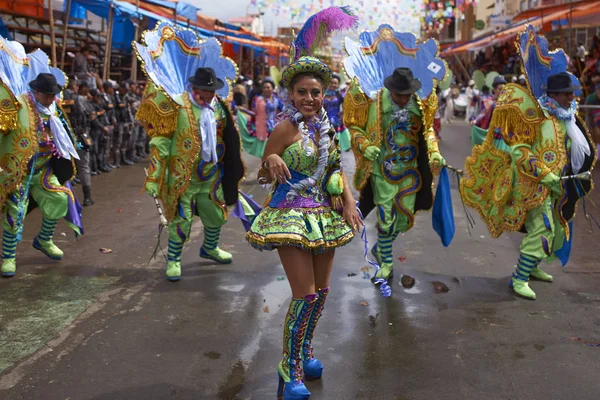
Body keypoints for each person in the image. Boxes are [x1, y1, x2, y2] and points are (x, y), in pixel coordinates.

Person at [246, 7, 359, 399]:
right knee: (304, 294)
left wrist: (347, 202)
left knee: (321, 295)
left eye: (316, 92)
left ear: (323, 95)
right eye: (302, 92)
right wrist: (271, 160)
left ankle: (306, 350)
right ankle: (289, 366)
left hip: (324, 216)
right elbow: (263, 171)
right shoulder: (285, 127)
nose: (310, 98)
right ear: (290, 94)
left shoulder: (326, 127)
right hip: (291, 216)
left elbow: (337, 168)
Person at [461, 72, 595, 300]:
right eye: (567, 93)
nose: (572, 97)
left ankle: (531, 267)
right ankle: (519, 278)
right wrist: (543, 174)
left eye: (572, 93)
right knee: (543, 229)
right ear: (553, 94)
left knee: (553, 230)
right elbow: (519, 150)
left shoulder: (567, 117)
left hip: (556, 186)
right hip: (532, 185)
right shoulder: (535, 115)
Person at [139, 64, 245, 281]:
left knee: (216, 213)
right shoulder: (178, 106)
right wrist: (154, 175)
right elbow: (161, 142)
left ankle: (209, 248)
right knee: (181, 219)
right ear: (195, 88)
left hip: (211, 174)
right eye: (206, 90)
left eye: (212, 89)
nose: (210, 93)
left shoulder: (219, 108)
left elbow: (229, 138)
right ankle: (174, 260)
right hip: (181, 176)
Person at [345, 67, 446, 284]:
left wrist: (435, 153)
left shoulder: (419, 105)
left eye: (406, 95)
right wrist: (364, 146)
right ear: (391, 90)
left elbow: (428, 131)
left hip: (410, 172)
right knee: (386, 217)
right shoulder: (376, 104)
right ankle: (386, 264)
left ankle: (381, 248)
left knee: (404, 218)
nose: (402, 99)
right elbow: (356, 129)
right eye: (398, 95)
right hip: (382, 171)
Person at [1, 72, 83, 277]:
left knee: (60, 198)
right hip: (20, 171)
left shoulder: (53, 109)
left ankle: (44, 239)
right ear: (36, 92)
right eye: (47, 95)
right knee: (15, 213)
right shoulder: (19, 105)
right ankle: (8, 256)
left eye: (53, 95)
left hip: (44, 169)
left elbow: (64, 134)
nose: (52, 99)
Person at [63, 78, 94, 206]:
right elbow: (91, 115)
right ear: (74, 86)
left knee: (64, 167)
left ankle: (66, 200)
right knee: (83, 167)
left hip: (64, 139)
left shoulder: (58, 99)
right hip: (79, 138)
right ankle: (87, 197)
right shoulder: (80, 99)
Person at [470, 75, 506, 146]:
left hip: (505, 136)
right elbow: (482, 113)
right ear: (494, 90)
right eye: (500, 89)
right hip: (493, 135)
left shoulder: (508, 103)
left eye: (504, 89)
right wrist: (475, 120)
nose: (502, 91)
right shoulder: (489, 102)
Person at [323, 73, 351, 151]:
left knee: (339, 143)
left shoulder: (339, 94)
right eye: (331, 82)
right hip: (326, 120)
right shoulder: (322, 94)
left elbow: (347, 104)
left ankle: (341, 147)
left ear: (338, 85)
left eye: (335, 83)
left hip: (337, 120)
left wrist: (343, 113)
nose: (333, 85)